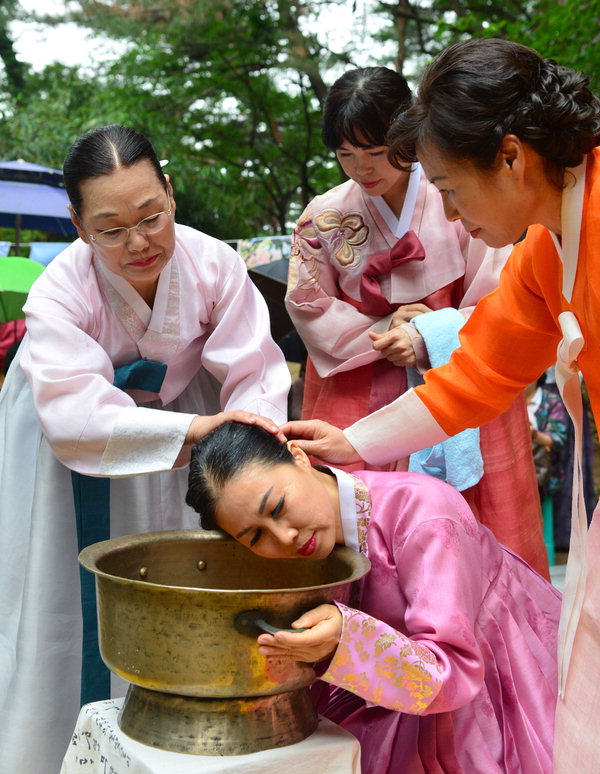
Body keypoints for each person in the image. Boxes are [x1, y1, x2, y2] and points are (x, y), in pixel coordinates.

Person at [280, 38, 600, 774]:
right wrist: (353, 443)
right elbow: (479, 370)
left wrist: (424, 329)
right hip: (376, 383)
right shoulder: (546, 251)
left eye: (453, 188)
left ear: (513, 159)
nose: (451, 210)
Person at [0, 124, 290, 774]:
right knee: (57, 595)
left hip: (191, 422)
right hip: (71, 438)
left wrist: (247, 445)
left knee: (180, 570)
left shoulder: (213, 263)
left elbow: (256, 373)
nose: (137, 242)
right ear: (78, 225)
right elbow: (74, 407)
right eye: (110, 228)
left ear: (170, 194)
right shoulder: (60, 292)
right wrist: (188, 434)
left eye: (150, 217)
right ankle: (48, 751)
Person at [286, 66, 549, 578]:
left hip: (461, 373)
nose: (362, 168)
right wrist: (382, 330)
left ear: (406, 133)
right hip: (361, 383)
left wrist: (430, 331)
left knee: (483, 540)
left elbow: (502, 297)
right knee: (365, 533)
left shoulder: (458, 191)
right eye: (346, 154)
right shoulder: (322, 217)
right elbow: (309, 306)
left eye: (377, 151)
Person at [186, 421, 561, 774]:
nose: (284, 537)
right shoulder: (299, 547)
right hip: (394, 691)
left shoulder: (425, 516)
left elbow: (456, 670)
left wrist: (346, 640)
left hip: (484, 686)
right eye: (254, 537)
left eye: (279, 507)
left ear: (298, 456)